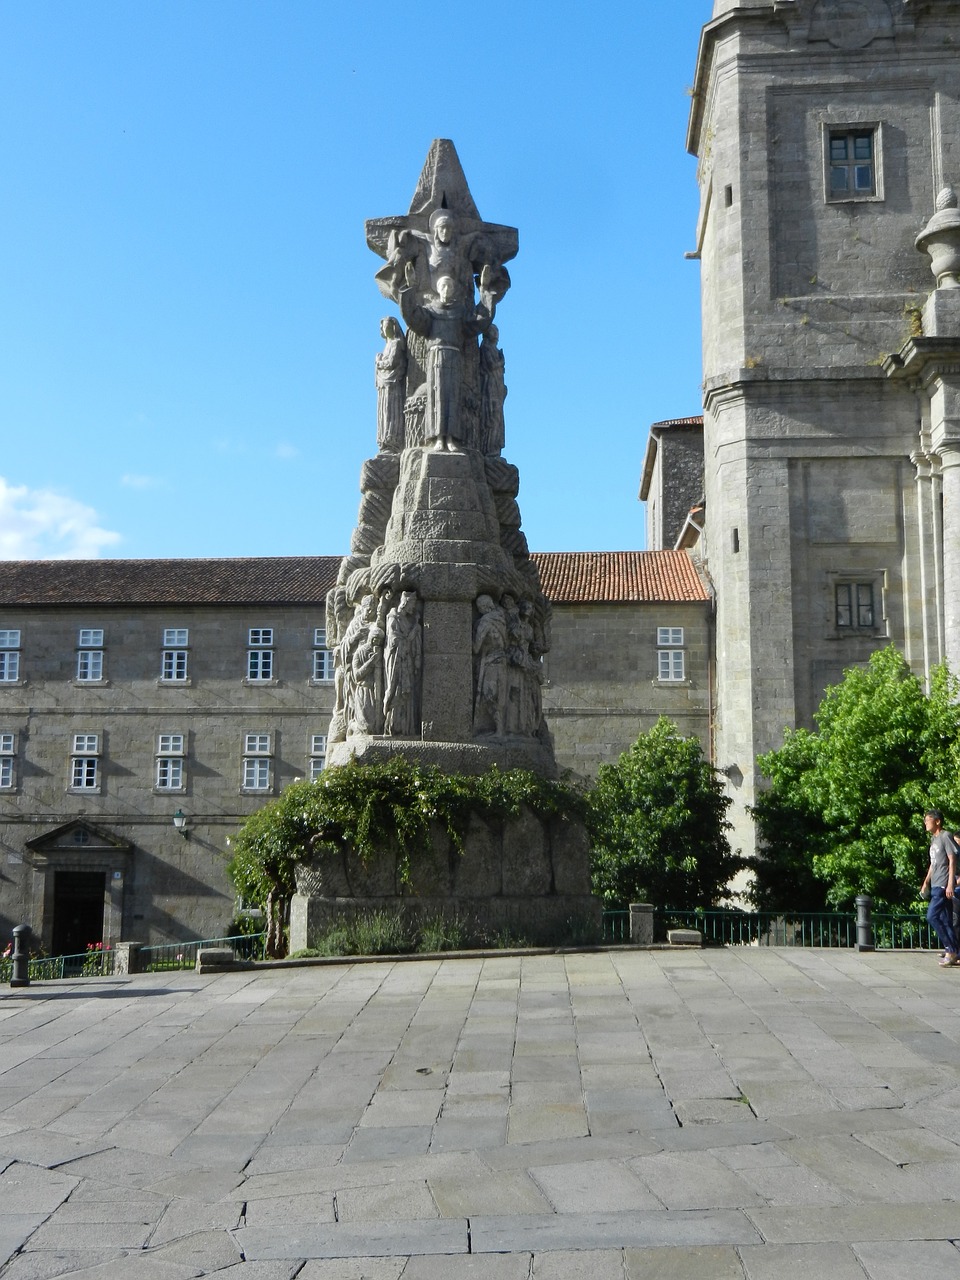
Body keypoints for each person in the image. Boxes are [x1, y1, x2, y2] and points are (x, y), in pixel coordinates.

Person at [920, 809, 959, 966]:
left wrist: (950, 883)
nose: (925, 823)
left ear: (937, 821)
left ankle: (950, 949)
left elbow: (952, 859)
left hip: (943, 883)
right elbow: (933, 863)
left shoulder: (945, 836)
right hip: (936, 883)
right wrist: (926, 881)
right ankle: (955, 952)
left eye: (928, 820)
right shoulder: (934, 840)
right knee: (946, 919)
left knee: (932, 916)